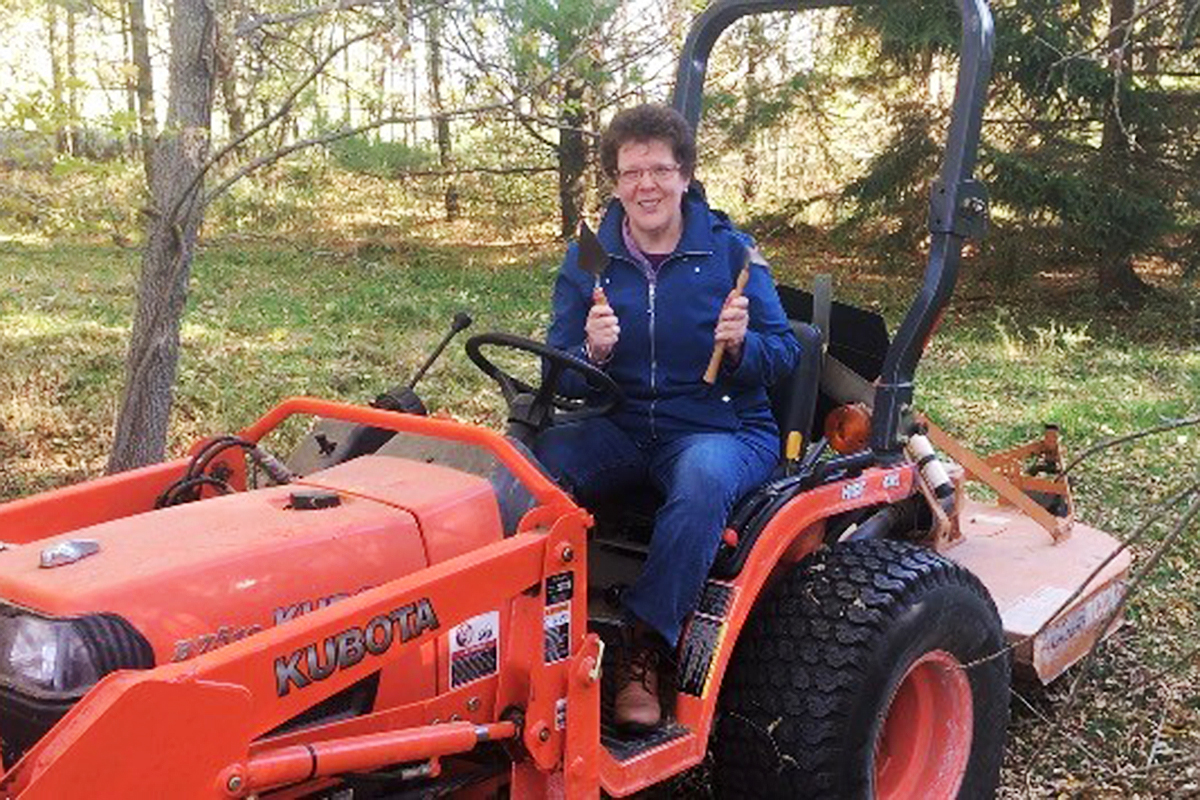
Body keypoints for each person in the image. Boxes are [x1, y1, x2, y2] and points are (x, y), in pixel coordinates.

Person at [535, 104, 800, 731]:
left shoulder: (733, 254)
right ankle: (523, 627)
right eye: (631, 172)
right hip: (621, 426)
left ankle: (646, 646)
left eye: (660, 169)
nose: (645, 185)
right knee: (529, 466)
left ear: (685, 175)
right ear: (615, 181)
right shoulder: (589, 259)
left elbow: (784, 354)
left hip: (721, 426)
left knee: (704, 479)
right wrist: (588, 352)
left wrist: (740, 346)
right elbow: (556, 371)